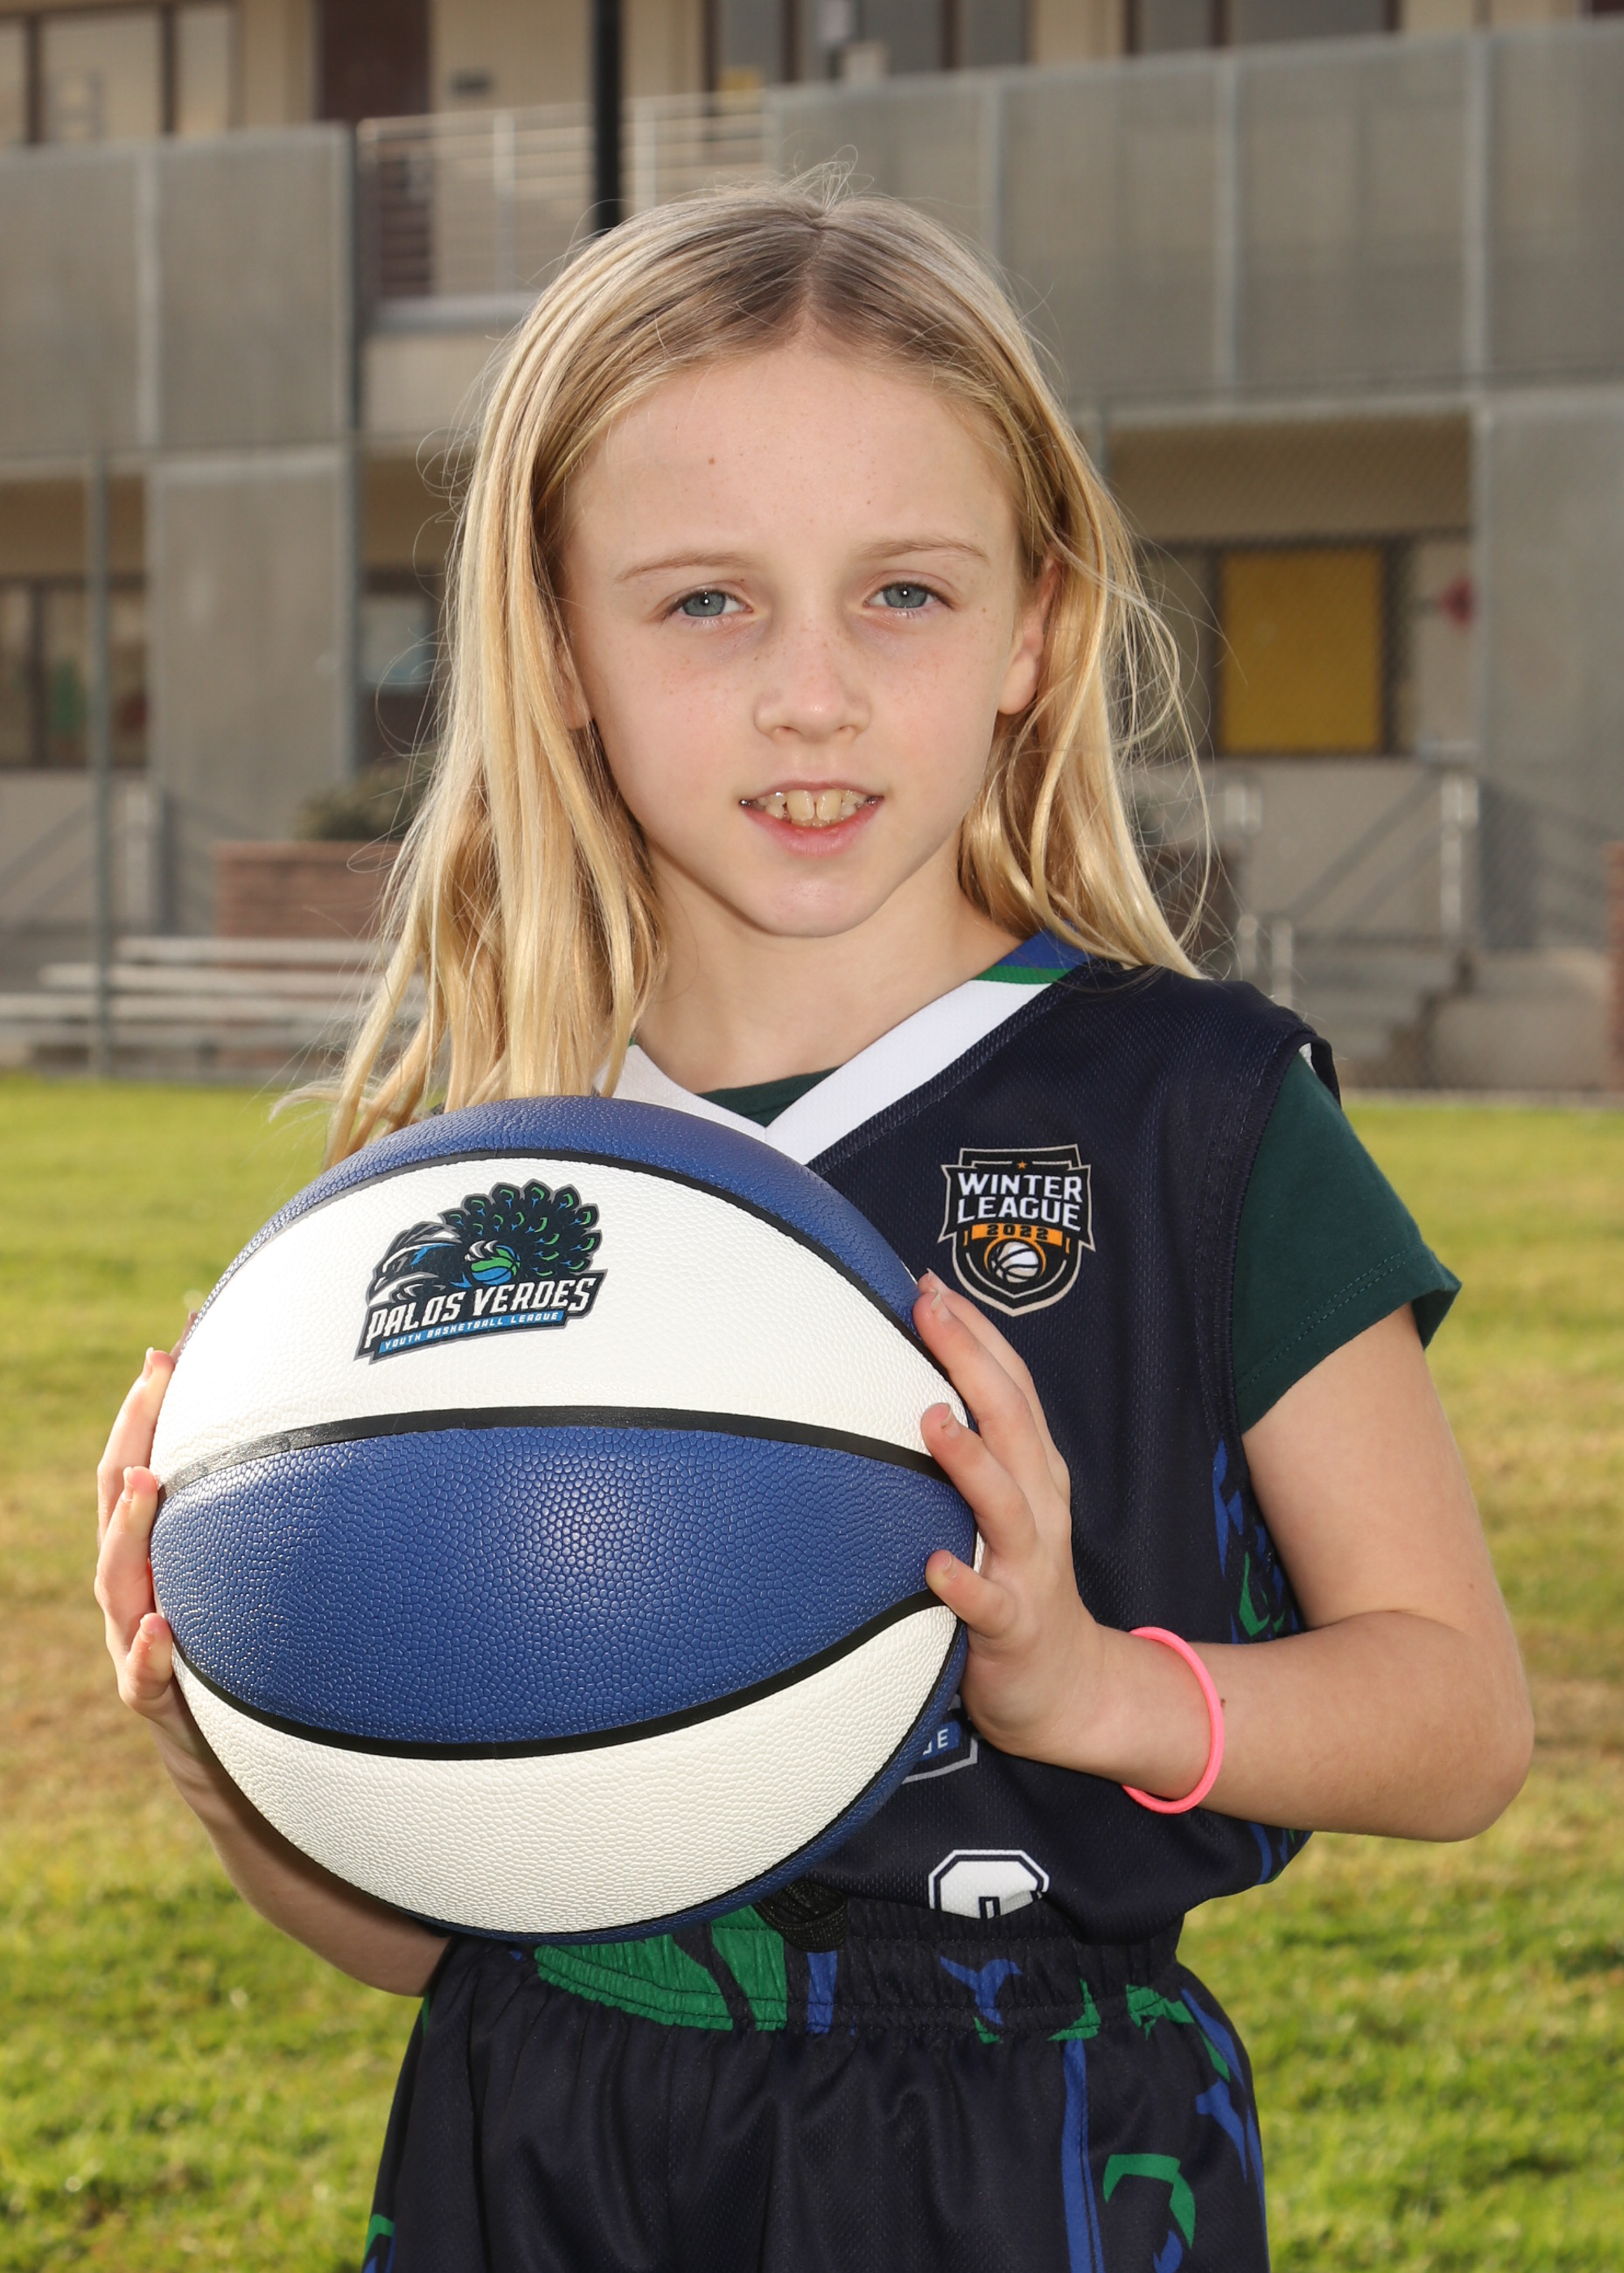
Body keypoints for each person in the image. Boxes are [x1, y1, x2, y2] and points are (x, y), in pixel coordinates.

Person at [96, 180, 1532, 2273]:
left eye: (903, 595)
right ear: (559, 645)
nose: (812, 695)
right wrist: (233, 1746)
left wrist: (1099, 1691)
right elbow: (437, 1935)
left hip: (1016, 2149)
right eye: (705, 603)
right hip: (539, 2140)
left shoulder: (1198, 1114)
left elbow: (1460, 1718)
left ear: (1038, 626)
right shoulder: (481, 1187)